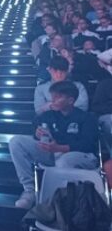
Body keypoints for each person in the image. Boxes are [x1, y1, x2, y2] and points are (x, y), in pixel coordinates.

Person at [8, 81, 99, 209]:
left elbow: (87, 144)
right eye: (53, 96)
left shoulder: (86, 117)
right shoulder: (49, 115)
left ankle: (60, 201)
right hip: (53, 152)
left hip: (81, 155)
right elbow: (36, 124)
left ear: (70, 100)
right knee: (16, 142)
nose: (53, 100)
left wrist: (59, 148)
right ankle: (30, 190)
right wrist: (37, 132)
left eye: (58, 97)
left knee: (64, 161)